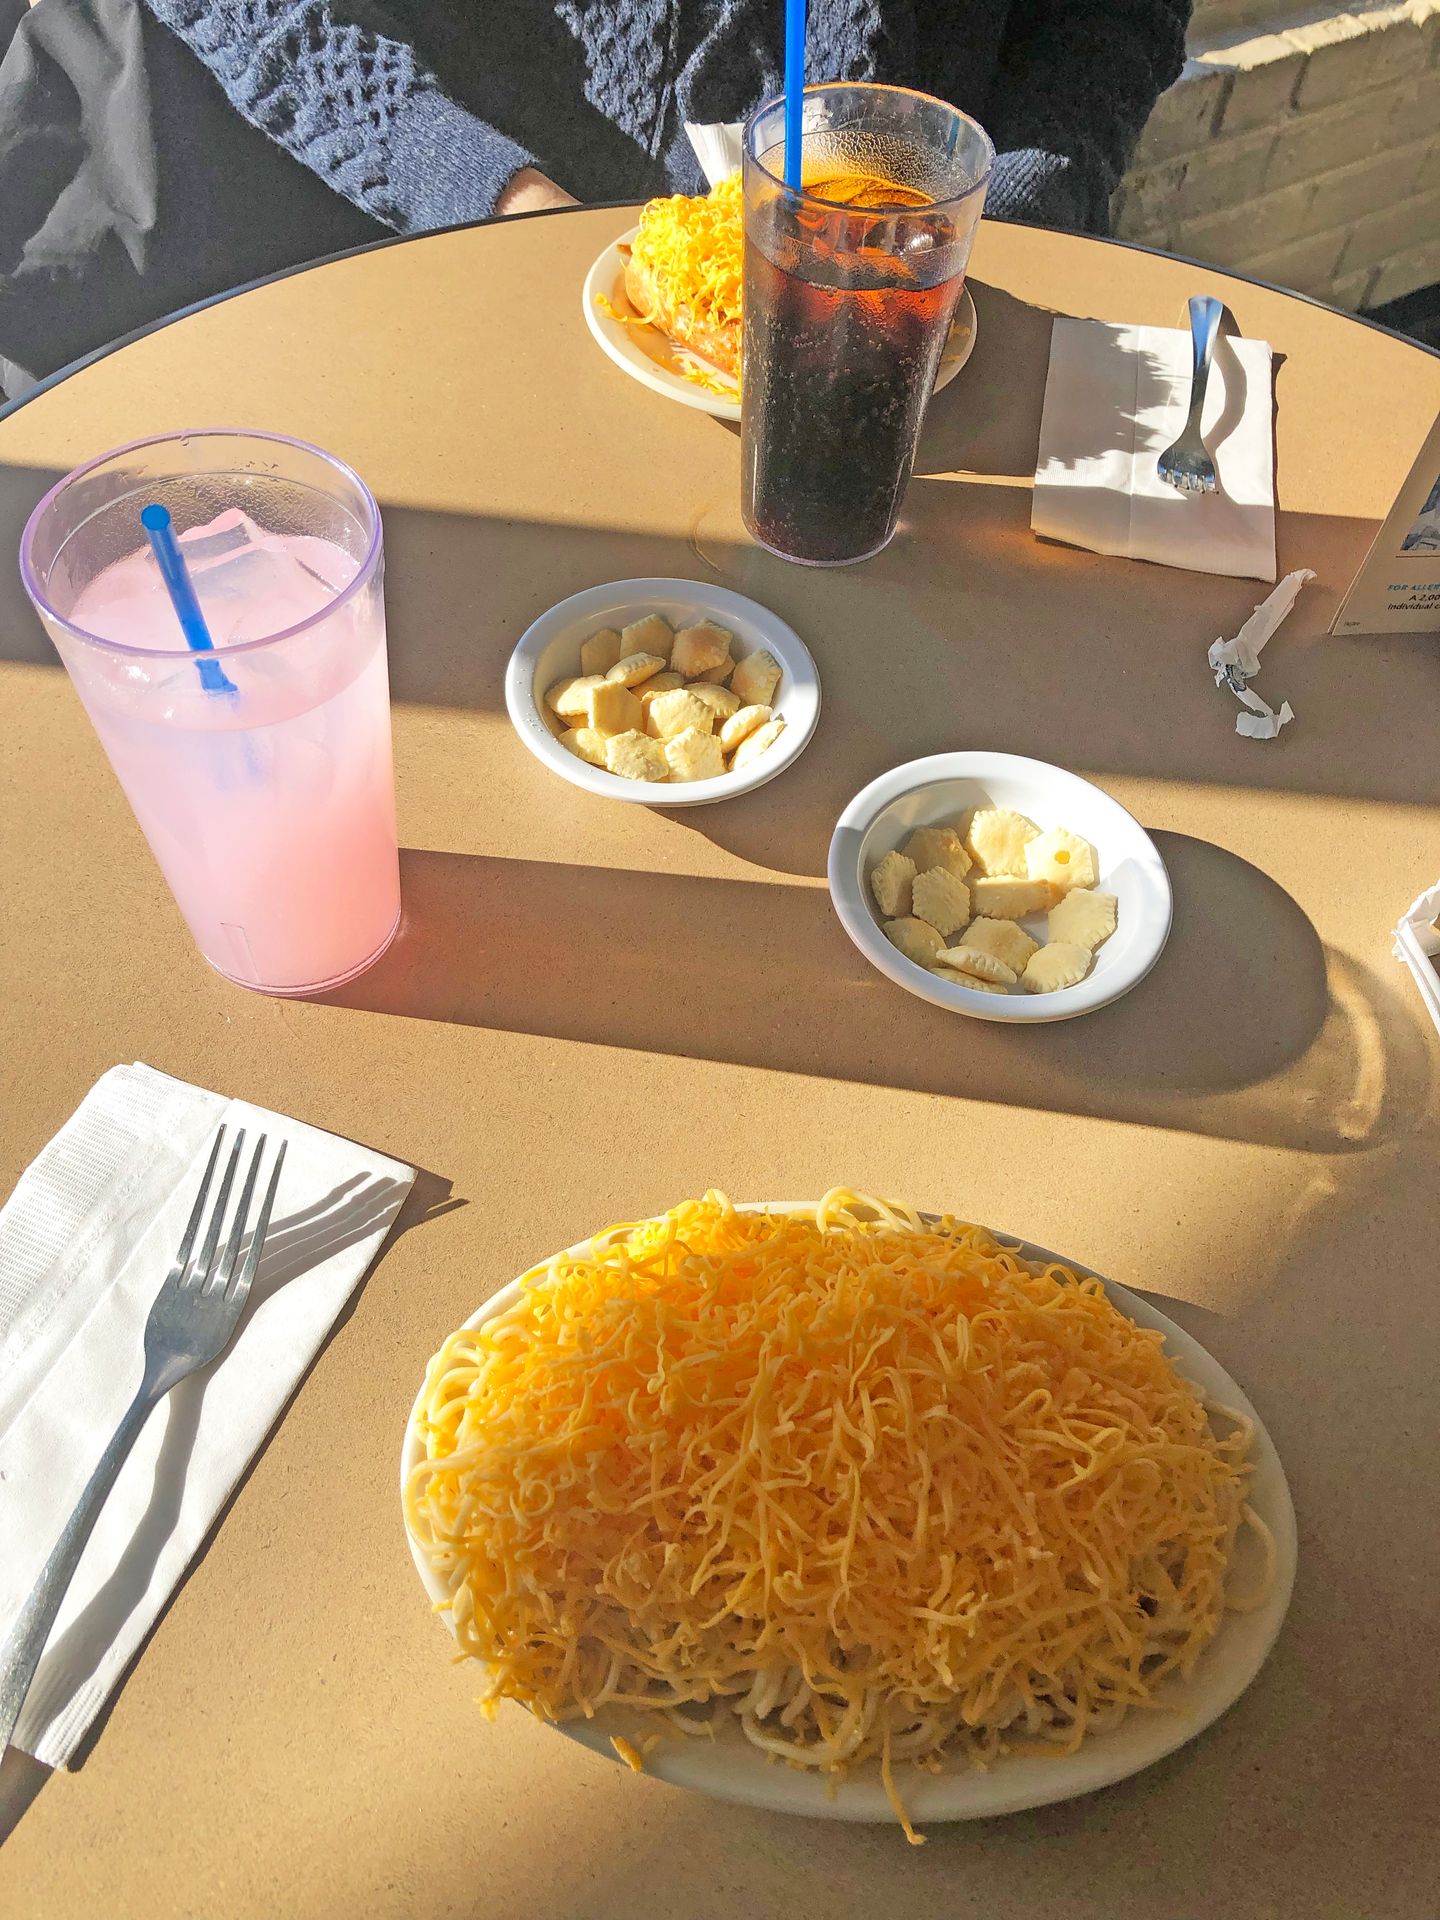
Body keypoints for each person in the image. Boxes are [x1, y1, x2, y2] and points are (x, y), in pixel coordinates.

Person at [0, 0, 1189, 400]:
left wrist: (1013, 210)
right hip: (421, 256)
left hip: (909, 276)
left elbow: (1110, 21)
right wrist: (478, 190)